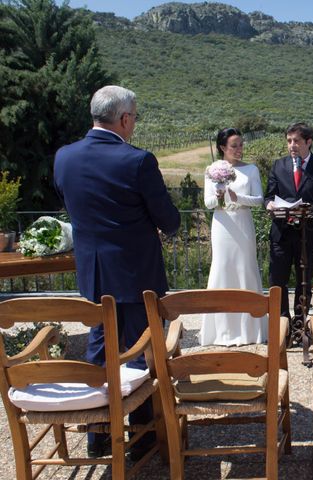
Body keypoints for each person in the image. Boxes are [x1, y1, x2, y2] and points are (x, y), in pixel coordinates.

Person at [54, 85, 180, 459]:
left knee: (99, 346)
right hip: (136, 274)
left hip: (94, 273)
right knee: (139, 352)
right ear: (125, 119)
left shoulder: (64, 157)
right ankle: (140, 439)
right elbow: (169, 221)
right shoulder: (137, 161)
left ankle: (98, 433)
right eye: (135, 118)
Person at [199, 128, 267, 345]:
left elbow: (258, 200)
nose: (239, 149)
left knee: (245, 268)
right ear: (222, 148)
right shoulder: (212, 169)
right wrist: (219, 196)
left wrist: (239, 197)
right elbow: (208, 203)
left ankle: (250, 329)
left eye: (241, 145)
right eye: (234, 146)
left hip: (243, 222)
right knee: (222, 268)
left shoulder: (251, 169)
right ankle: (220, 331)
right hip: (222, 224)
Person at [264, 122, 313, 324]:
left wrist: (307, 208)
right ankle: (282, 323)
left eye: (296, 141)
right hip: (281, 232)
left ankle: (299, 322)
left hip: (308, 234)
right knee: (277, 280)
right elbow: (269, 196)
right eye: (289, 141)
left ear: (308, 142)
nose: (291, 145)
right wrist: (269, 205)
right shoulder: (279, 165)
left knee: (304, 281)